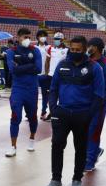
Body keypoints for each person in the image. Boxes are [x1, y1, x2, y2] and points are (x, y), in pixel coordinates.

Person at [43, 36, 104, 186]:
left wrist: (89, 114)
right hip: (62, 113)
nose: (74, 52)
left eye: (78, 50)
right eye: (72, 49)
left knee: (80, 147)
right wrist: (53, 108)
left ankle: (77, 179)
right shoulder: (62, 65)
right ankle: (56, 180)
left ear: (85, 50)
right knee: (57, 144)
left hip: (82, 114)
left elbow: (99, 95)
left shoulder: (94, 68)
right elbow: (54, 88)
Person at [4, 28, 42, 157]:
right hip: (18, 89)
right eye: (24, 37)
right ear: (18, 37)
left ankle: (31, 139)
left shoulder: (35, 50)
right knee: (15, 116)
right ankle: (13, 146)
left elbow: (38, 68)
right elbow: (11, 70)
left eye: (28, 37)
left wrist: (20, 67)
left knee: (32, 117)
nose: (27, 39)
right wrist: (29, 66)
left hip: (32, 89)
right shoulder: (11, 51)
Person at [85, 37, 106, 172]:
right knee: (85, 130)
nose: (88, 48)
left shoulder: (105, 64)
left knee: (94, 130)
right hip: (86, 102)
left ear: (96, 48)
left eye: (90, 46)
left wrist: (100, 102)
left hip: (99, 103)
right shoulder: (87, 62)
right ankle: (96, 150)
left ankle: (90, 160)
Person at [44, 32, 68, 121]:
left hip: (62, 76)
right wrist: (46, 73)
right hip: (51, 75)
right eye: (55, 39)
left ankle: (61, 113)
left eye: (58, 39)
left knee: (62, 95)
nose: (56, 41)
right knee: (51, 96)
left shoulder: (66, 50)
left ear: (62, 40)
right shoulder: (50, 49)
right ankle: (51, 113)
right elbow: (47, 61)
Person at [35, 30, 51, 120]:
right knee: (34, 95)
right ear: (37, 37)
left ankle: (43, 111)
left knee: (45, 95)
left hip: (45, 75)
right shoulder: (34, 47)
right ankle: (32, 111)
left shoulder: (49, 47)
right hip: (35, 75)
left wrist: (47, 72)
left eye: (44, 35)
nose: (42, 37)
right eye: (40, 35)